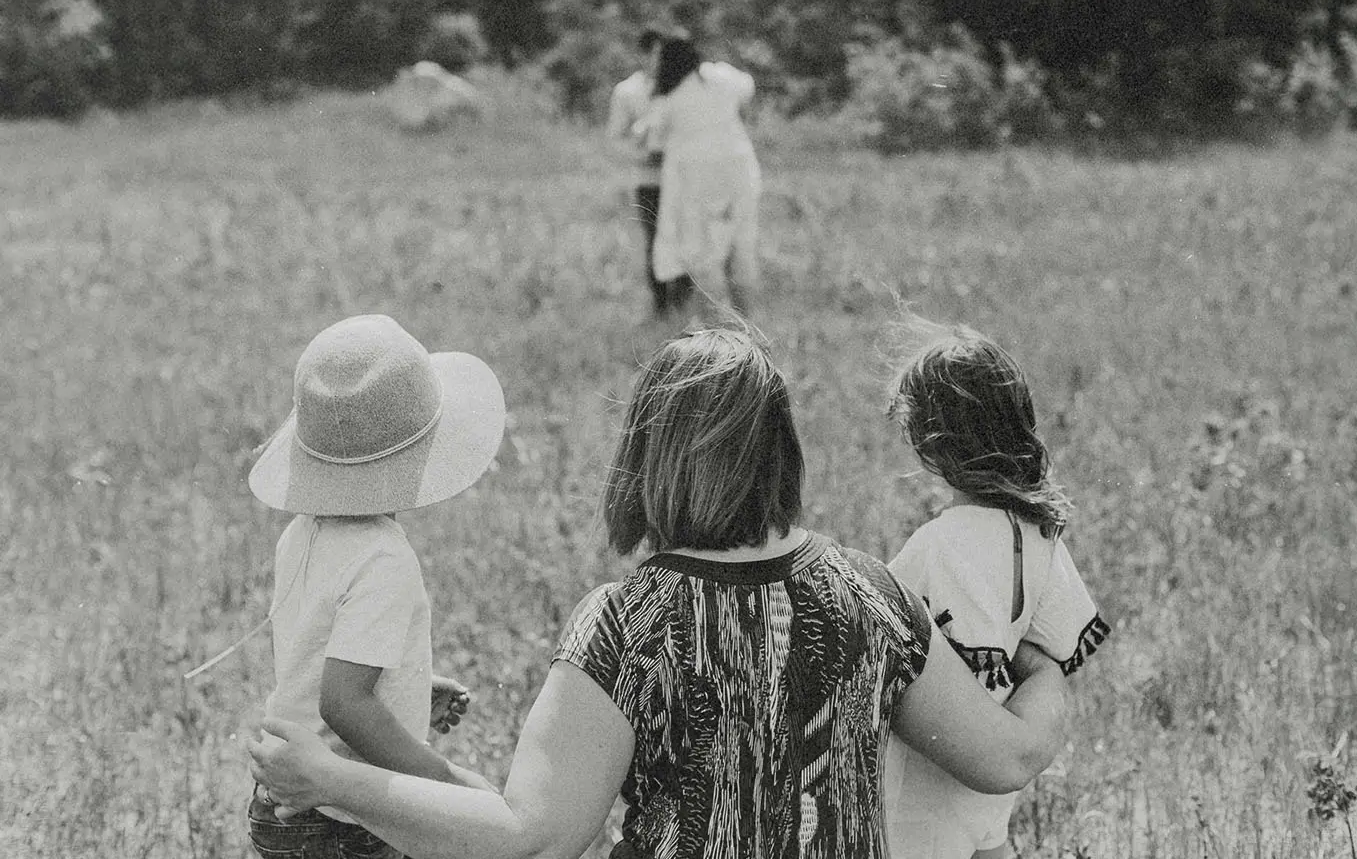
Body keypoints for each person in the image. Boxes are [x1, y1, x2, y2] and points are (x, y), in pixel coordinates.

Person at [249, 329, 1069, 859]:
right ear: (783, 451)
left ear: (645, 456)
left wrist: (329, 779)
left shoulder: (629, 624)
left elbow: (533, 837)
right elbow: (1008, 759)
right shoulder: (874, 595)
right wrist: (1049, 669)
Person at [244, 314, 508, 859]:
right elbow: (343, 703)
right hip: (344, 814)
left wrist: (403, 684)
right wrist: (442, 780)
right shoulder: (383, 556)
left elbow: (316, 656)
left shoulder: (302, 532)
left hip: (284, 800)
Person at [882, 322, 1110, 859]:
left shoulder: (935, 545)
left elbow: (873, 636)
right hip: (988, 798)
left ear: (931, 442)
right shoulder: (1041, 537)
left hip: (924, 783)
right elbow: (1058, 646)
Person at [638, 37, 762, 316]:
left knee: (704, 251)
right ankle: (747, 320)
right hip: (739, 167)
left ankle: (723, 323)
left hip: (696, 176)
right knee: (741, 244)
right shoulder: (721, 76)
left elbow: (652, 142)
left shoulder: (668, 96)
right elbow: (748, 89)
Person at [606, 28, 692, 318]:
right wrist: (644, 155)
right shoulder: (628, 91)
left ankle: (683, 300)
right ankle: (661, 304)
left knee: (686, 236)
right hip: (649, 179)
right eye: (656, 55)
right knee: (656, 239)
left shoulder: (682, 86)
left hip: (682, 176)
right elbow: (616, 138)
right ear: (644, 55)